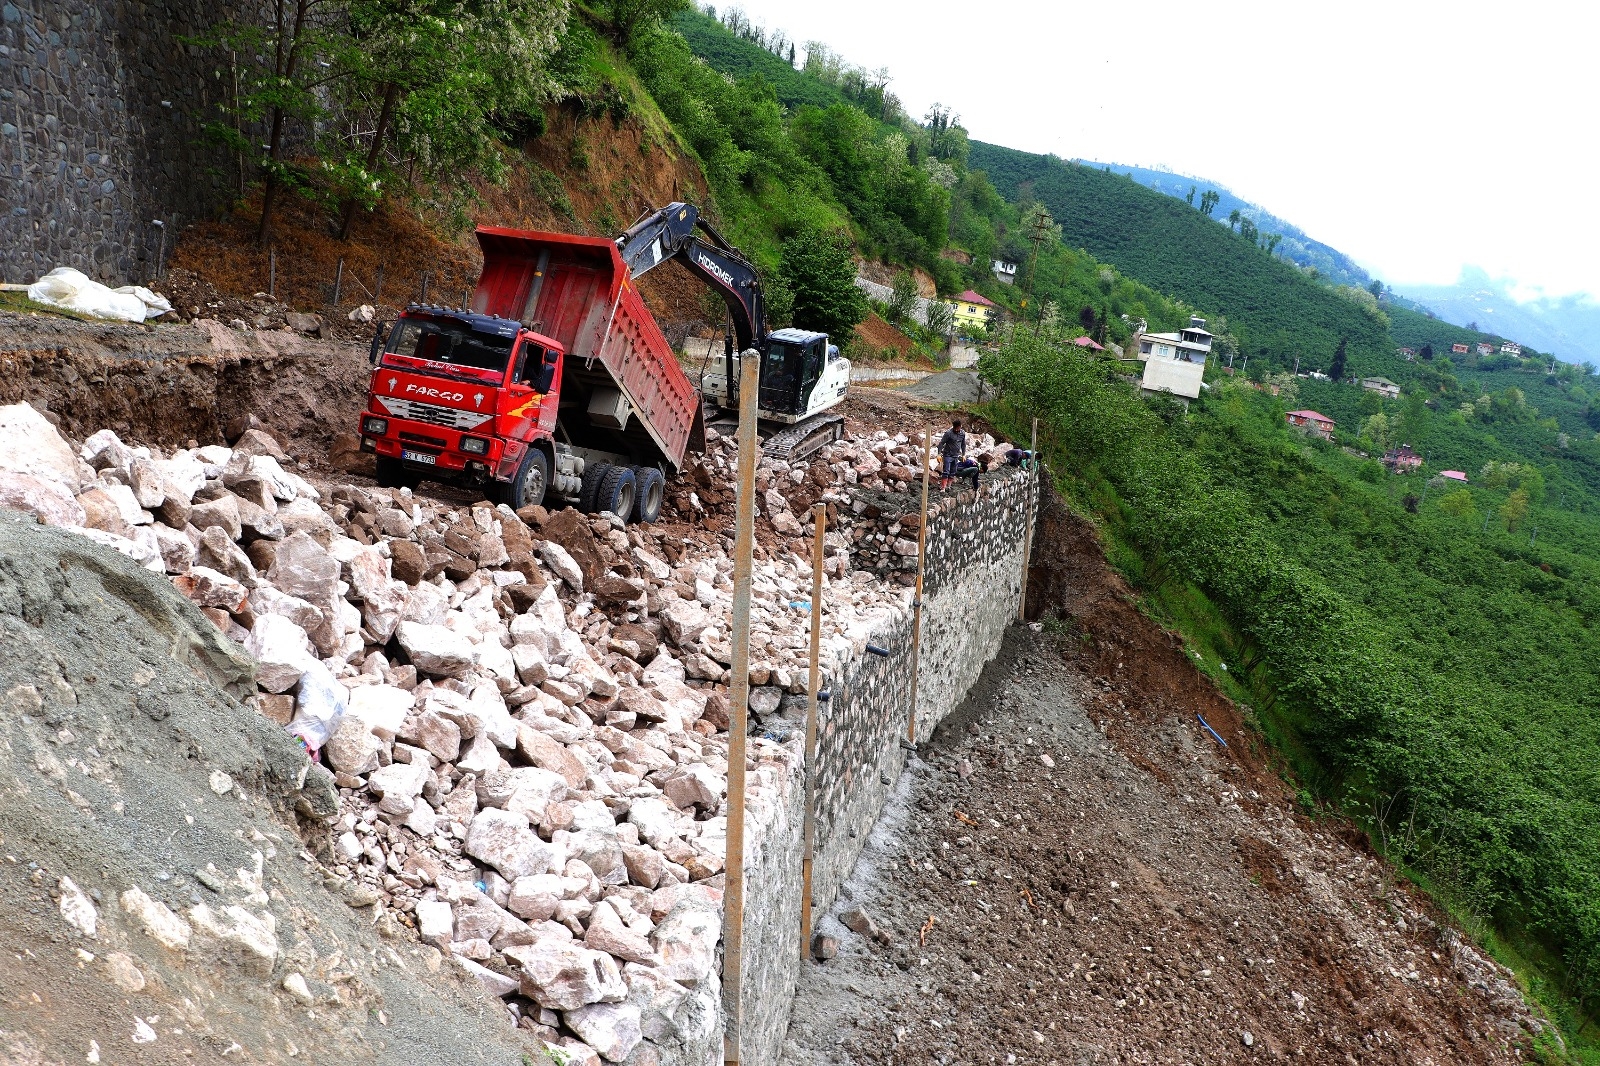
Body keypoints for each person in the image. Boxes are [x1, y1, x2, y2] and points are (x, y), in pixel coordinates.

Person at [937, 419, 966, 489]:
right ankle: (943, 487)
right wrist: (939, 454)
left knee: (953, 471)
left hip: (956, 455)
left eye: (958, 428)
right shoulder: (948, 433)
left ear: (960, 427)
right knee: (946, 471)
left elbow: (963, 444)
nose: (956, 430)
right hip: (947, 455)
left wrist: (964, 454)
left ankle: (948, 486)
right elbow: (941, 443)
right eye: (955, 428)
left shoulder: (962, 433)